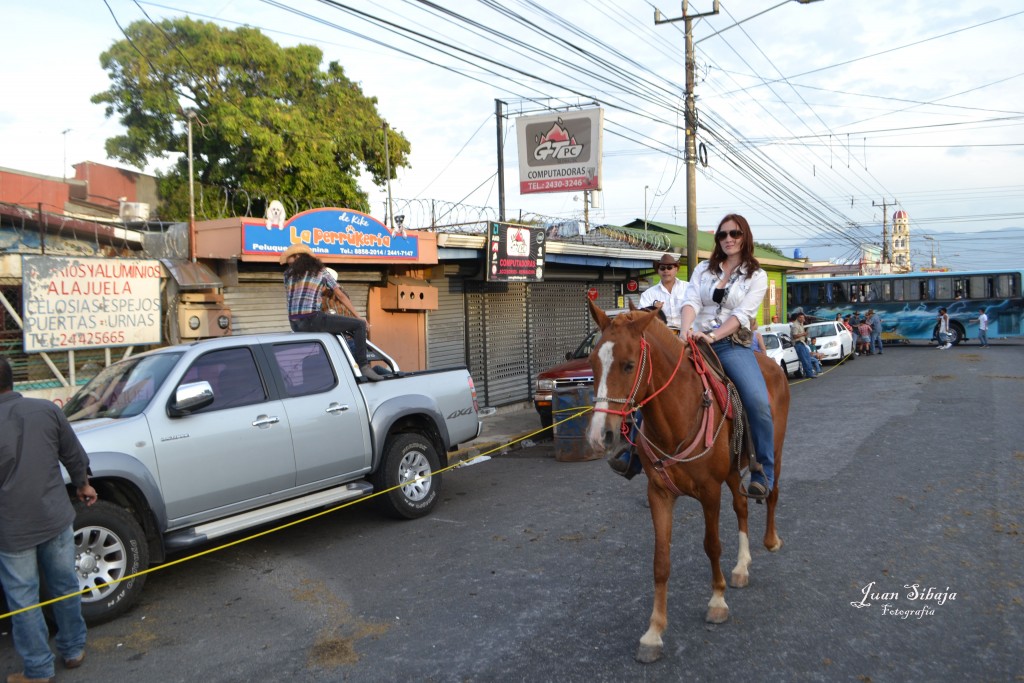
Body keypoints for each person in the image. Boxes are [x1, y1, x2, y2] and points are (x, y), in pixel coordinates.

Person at [0, 356, 97, 683]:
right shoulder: (47, 410)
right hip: (55, 517)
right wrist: (83, 484)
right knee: (64, 585)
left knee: (24, 600)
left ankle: (39, 671)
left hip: (12, 529)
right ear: (12, 380)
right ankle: (73, 650)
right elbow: (73, 454)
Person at [678, 213, 776, 499]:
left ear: (745, 236)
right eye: (723, 235)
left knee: (758, 402)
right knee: (654, 377)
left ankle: (763, 471)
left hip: (730, 345)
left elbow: (742, 314)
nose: (729, 239)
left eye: (735, 233)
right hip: (695, 341)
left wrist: (712, 336)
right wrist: (685, 332)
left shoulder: (756, 275)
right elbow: (691, 301)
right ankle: (634, 451)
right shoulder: (703, 270)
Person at [280, 244, 383, 381]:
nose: (288, 262)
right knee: (359, 325)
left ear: (298, 257)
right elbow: (340, 295)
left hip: (295, 324)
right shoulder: (320, 271)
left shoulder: (287, 275)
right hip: (312, 319)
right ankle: (364, 366)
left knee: (333, 330)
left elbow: (290, 299)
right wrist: (359, 317)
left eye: (290, 258)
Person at [639, 253, 688, 331]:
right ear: (658, 271)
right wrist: (653, 309)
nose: (666, 271)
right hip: (662, 337)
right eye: (662, 268)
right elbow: (641, 318)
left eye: (669, 267)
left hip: (689, 334)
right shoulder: (648, 294)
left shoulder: (689, 288)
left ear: (676, 269)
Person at [790, 312, 818, 378]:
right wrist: (803, 334)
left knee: (808, 358)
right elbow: (794, 336)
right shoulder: (795, 325)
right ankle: (809, 374)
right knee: (804, 359)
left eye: (803, 317)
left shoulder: (801, 323)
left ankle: (810, 373)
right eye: (801, 317)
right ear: (798, 318)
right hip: (798, 344)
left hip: (802, 343)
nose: (803, 319)